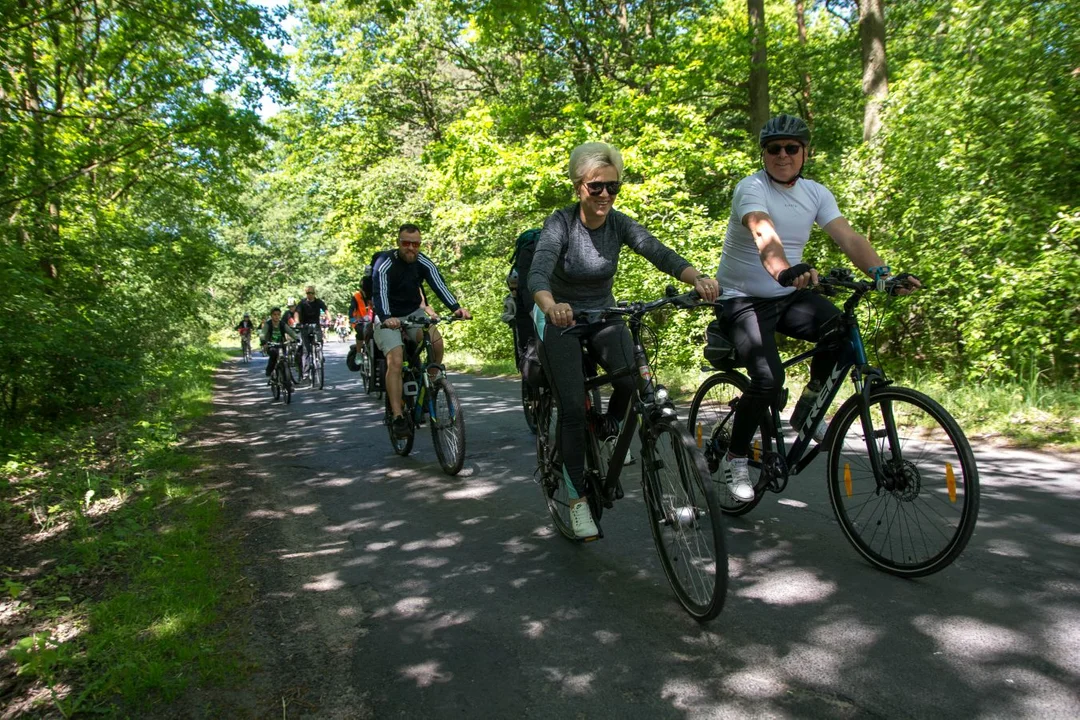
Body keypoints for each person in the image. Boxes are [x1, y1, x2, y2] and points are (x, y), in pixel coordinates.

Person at [713, 114, 920, 502]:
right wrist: (784, 270)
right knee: (767, 380)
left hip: (786, 294)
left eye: (792, 148)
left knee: (841, 330)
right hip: (741, 298)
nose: (783, 155)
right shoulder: (750, 188)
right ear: (763, 154)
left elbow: (847, 235)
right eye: (774, 149)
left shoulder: (816, 193)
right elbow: (762, 230)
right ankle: (735, 456)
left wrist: (881, 274)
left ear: (805, 152)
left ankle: (806, 410)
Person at [528, 142, 720, 539]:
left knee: (634, 380)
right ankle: (577, 498)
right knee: (573, 410)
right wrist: (550, 305)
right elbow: (538, 273)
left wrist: (696, 277)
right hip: (559, 317)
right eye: (596, 187)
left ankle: (610, 425)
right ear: (579, 185)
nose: (605, 196)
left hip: (602, 313)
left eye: (612, 187)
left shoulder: (619, 224)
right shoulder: (560, 223)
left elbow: (657, 251)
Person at [372, 224, 472, 438]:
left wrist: (456, 308)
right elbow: (379, 293)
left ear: (420, 244)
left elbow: (438, 283)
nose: (410, 248)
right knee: (396, 360)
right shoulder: (385, 263)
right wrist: (387, 318)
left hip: (413, 313)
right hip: (386, 316)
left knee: (436, 342)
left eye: (415, 244)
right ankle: (398, 416)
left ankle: (431, 388)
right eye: (405, 243)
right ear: (398, 242)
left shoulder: (422, 261)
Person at [294, 285, 330, 375]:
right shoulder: (302, 303)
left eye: (312, 293)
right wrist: (297, 322)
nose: (310, 295)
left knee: (319, 340)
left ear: (314, 293)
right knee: (306, 349)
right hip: (305, 326)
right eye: (308, 293)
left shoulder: (318, 302)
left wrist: (329, 319)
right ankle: (305, 371)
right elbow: (297, 313)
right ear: (306, 294)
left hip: (316, 325)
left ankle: (319, 353)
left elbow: (326, 310)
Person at [259, 307, 299, 378]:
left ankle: (286, 378)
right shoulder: (268, 324)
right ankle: (269, 370)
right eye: (274, 314)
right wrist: (263, 341)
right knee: (273, 356)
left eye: (278, 314)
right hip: (271, 345)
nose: (276, 316)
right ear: (271, 315)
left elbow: (290, 331)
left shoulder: (282, 324)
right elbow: (263, 333)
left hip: (281, 345)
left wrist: (297, 338)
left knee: (284, 359)